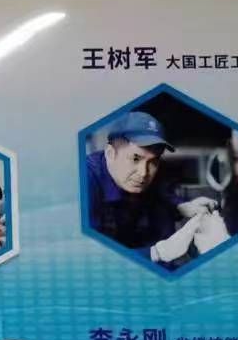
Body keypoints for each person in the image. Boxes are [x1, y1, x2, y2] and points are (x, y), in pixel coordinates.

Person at [84, 111, 215, 266]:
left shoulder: (149, 174)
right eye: (135, 158)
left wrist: (181, 206)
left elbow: (162, 190)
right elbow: (90, 259)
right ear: (110, 153)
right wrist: (158, 252)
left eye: (153, 162)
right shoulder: (85, 181)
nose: (143, 173)